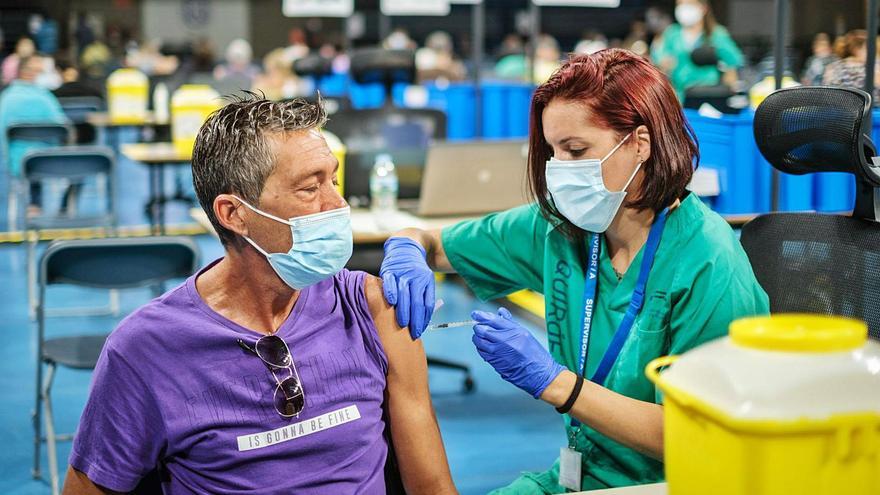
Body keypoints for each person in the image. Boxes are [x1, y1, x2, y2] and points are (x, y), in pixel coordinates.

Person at [379, 49, 769, 493]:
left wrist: (555, 383)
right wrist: (406, 247)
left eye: (576, 150)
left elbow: (700, 437)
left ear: (640, 142)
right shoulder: (564, 229)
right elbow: (435, 242)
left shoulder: (709, 264)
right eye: (552, 151)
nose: (559, 169)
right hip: (580, 477)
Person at [62, 96, 457, 495]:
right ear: (235, 214)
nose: (337, 205)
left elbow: (433, 487)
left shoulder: (372, 309)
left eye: (333, 181)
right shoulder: (146, 350)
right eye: (309, 188)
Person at [0, 54, 67, 217]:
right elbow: (63, 126)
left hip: (18, 164)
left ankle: (33, 205)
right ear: (32, 73)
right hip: (49, 161)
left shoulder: (6, 99)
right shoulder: (46, 97)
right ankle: (55, 207)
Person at [651, 0, 744, 99]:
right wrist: (663, 64)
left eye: (689, 4)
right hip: (678, 97)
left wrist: (730, 82)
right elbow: (658, 59)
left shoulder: (717, 34)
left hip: (708, 96)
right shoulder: (671, 33)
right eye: (680, 4)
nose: (683, 8)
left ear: (703, 7)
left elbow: (734, 62)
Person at [823, 30, 880, 101]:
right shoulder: (870, 68)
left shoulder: (832, 67)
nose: (874, 52)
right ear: (857, 49)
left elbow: (827, 94)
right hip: (869, 110)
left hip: (838, 109)